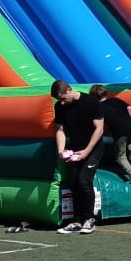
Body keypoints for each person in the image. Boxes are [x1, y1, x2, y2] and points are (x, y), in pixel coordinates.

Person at [51, 80, 104, 234]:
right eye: (58, 100)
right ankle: (76, 220)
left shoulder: (91, 102)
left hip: (93, 149)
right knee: (74, 182)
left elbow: (99, 129)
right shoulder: (60, 107)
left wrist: (87, 151)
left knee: (84, 181)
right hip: (74, 149)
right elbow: (59, 129)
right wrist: (61, 149)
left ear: (69, 90)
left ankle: (89, 220)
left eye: (62, 98)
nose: (61, 102)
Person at [88, 84, 131, 183]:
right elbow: (129, 108)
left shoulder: (99, 107)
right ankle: (130, 146)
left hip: (119, 131)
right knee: (127, 139)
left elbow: (99, 121)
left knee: (120, 157)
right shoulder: (116, 100)